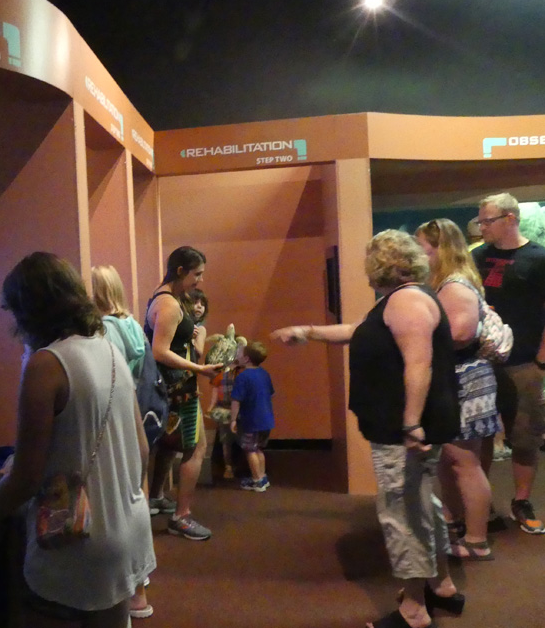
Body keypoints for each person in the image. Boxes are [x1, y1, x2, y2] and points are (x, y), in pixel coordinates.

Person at [0, 252, 155, 628]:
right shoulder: (110, 349)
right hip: (128, 530)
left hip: (79, 541)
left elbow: (27, 479)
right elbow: (140, 449)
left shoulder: (46, 365)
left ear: (29, 311)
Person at [272, 229, 462, 628]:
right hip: (406, 426)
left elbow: (419, 364)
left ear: (381, 264)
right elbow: (357, 331)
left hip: (403, 429)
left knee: (403, 512)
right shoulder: (401, 300)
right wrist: (307, 332)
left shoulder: (407, 301)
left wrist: (411, 423)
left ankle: (414, 609)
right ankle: (441, 586)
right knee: (422, 504)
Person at [415, 218, 499, 560]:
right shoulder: (449, 283)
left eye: (423, 248)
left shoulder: (454, 285)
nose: (419, 255)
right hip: (458, 378)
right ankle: (456, 523)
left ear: (441, 249)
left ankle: (477, 539)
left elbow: (460, 334)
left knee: (465, 462)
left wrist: (417, 335)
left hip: (465, 379)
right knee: (454, 461)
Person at [471, 192, 545, 534]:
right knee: (480, 434)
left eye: (488, 220)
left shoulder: (538, 258)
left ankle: (521, 500)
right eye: (481, 221)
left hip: (524, 361)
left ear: (510, 219)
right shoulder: (476, 258)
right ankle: (480, 502)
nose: (482, 227)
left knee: (525, 434)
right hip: (481, 361)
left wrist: (541, 360)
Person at [144, 246, 221, 541]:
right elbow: (160, 351)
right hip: (177, 390)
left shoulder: (166, 296)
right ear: (180, 271)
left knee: (168, 445)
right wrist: (199, 368)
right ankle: (182, 515)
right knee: (196, 447)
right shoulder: (169, 304)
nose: (200, 280)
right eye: (196, 274)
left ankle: (157, 495)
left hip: (172, 388)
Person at [90, 264, 153, 620]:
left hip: (114, 419)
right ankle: (141, 576)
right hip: (136, 413)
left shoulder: (104, 331)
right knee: (136, 495)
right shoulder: (132, 325)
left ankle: (132, 589)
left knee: (116, 503)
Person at [224, 340, 275, 492]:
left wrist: (233, 420)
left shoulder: (242, 377)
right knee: (259, 448)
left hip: (251, 420)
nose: (237, 356)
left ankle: (257, 480)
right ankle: (262, 476)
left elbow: (236, 400)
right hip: (266, 419)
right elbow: (271, 393)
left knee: (250, 450)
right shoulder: (265, 374)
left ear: (246, 359)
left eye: (240, 354)